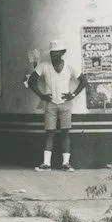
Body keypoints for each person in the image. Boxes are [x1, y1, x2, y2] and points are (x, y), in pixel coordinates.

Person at [26, 38, 88, 172]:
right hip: (50, 103)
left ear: (62, 52)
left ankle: (66, 163)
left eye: (57, 52)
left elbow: (83, 81)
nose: (54, 55)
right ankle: (46, 163)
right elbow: (31, 81)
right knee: (50, 132)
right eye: (52, 53)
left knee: (65, 132)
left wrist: (73, 94)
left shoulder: (70, 66)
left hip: (65, 103)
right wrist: (41, 95)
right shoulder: (44, 66)